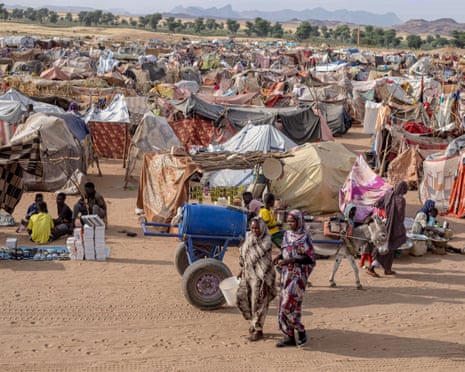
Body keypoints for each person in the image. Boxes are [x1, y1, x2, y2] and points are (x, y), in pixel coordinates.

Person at [273, 210, 316, 348]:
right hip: (286, 275)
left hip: (298, 276)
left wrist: (290, 260)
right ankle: (289, 337)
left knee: (288, 304)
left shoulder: (305, 237)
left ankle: (301, 329)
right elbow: (286, 250)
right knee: (291, 306)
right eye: (289, 221)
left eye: (293, 221)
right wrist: (280, 257)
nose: (290, 224)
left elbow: (310, 258)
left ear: (299, 221)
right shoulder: (286, 235)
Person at [236, 217, 277, 342]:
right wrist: (241, 270)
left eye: (256, 228)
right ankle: (253, 323)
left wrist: (265, 281)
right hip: (248, 274)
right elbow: (244, 255)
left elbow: (266, 263)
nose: (254, 230)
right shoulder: (249, 237)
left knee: (258, 303)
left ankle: (258, 329)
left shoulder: (266, 242)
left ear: (262, 228)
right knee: (243, 298)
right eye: (252, 228)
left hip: (260, 278)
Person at [367, 181, 408, 277]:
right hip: (394, 226)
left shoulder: (388, 194)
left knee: (389, 246)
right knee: (386, 246)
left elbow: (377, 203)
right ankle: (371, 268)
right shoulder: (401, 200)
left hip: (385, 224)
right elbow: (401, 216)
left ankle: (387, 269)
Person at [328, 204, 362, 290]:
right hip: (343, 242)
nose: (353, 212)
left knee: (338, 261)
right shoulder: (344, 220)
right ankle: (357, 282)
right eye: (351, 210)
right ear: (347, 211)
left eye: (354, 211)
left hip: (346, 241)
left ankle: (331, 278)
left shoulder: (352, 220)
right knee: (353, 264)